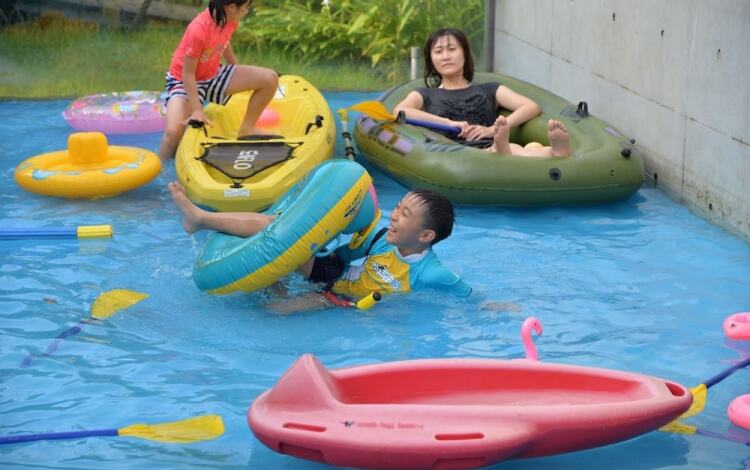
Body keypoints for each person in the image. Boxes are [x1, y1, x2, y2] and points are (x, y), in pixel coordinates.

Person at [169, 182, 472, 312]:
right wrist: (311, 247)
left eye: (405, 214)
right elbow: (343, 254)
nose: (394, 215)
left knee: (273, 310)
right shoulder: (381, 238)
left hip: (341, 303)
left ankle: (275, 279)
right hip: (332, 274)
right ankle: (200, 218)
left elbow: (469, 297)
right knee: (283, 230)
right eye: (398, 207)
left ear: (425, 236)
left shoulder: (431, 273)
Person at [393, 27, 571, 158]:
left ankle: (555, 151)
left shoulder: (489, 89)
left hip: (489, 144)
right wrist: (449, 123)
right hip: (453, 154)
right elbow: (400, 111)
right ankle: (502, 148)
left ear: (465, 54)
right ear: (431, 60)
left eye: (452, 49)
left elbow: (530, 106)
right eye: (438, 51)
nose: (446, 56)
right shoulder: (425, 94)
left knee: (518, 150)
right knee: (504, 151)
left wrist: (492, 130)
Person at [158, 0, 278, 160]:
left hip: (212, 75)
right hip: (184, 81)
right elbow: (188, 74)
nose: (247, 11)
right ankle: (162, 170)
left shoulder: (229, 19)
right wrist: (197, 110)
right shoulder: (198, 29)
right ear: (232, 7)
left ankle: (247, 129)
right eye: (246, 7)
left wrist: (236, 68)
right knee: (172, 134)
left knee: (270, 79)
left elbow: (224, 42)